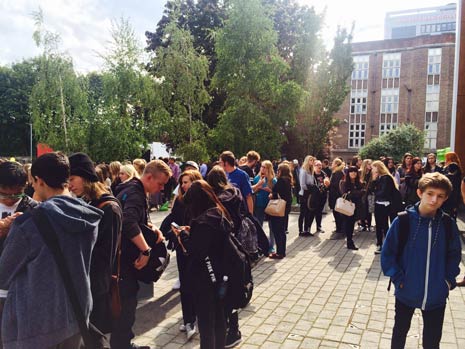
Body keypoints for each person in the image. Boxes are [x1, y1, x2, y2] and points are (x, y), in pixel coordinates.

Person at [0, 152, 102, 348]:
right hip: (77, 312)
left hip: (38, 324)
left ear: (39, 181)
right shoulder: (89, 215)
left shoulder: (29, 223)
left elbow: (3, 274)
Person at [381, 172, 461, 349]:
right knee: (399, 333)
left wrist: (447, 281)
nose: (434, 200)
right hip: (406, 291)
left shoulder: (447, 224)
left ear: (445, 198)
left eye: (440, 196)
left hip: (436, 295)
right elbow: (388, 254)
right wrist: (398, 279)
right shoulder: (403, 221)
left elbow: (454, 254)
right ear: (420, 193)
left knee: (432, 341)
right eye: (430, 194)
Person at [111, 160, 171, 349]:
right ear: (148, 177)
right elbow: (128, 222)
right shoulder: (136, 193)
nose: (161, 189)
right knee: (126, 305)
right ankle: (123, 345)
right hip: (123, 263)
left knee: (125, 306)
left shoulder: (129, 187)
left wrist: (152, 229)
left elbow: (135, 219)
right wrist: (146, 250)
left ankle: (124, 342)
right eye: (160, 184)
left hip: (117, 260)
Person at [174, 180, 233, 348]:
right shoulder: (219, 213)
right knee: (219, 319)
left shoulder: (202, 222)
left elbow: (196, 251)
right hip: (220, 274)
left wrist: (183, 236)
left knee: (206, 324)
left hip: (204, 279)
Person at [68, 152, 123, 335]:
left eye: (72, 178)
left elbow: (104, 259)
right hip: (84, 286)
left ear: (86, 177)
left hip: (96, 290)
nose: (69, 184)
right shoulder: (86, 201)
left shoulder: (109, 208)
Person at [162, 169, 202, 340]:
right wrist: (172, 232)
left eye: (187, 182)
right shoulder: (179, 201)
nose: (184, 185)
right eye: (182, 182)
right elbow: (171, 220)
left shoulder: (202, 201)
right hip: (182, 248)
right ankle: (188, 319)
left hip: (198, 249)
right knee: (185, 284)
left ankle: (196, 315)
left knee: (197, 284)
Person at [206, 166, 244, 348]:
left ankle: (232, 329)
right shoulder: (234, 192)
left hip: (223, 248)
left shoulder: (219, 200)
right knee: (233, 287)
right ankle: (232, 327)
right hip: (235, 245)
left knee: (224, 290)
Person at [0, 161, 38, 256]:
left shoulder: (34, 208)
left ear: (25, 186)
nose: (9, 200)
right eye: (4, 195)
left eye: (17, 195)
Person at [371, 160, 397, 254]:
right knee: (379, 225)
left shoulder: (386, 178)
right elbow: (371, 189)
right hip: (379, 204)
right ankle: (380, 244)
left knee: (384, 225)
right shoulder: (379, 178)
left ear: (378, 167)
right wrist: (374, 180)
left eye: (373, 167)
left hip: (385, 205)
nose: (372, 169)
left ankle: (386, 245)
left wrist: (376, 192)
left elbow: (383, 192)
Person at [268, 162, 293, 259]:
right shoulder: (288, 180)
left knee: (277, 230)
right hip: (285, 208)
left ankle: (279, 252)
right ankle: (282, 251)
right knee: (282, 230)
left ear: (281, 171)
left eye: (278, 170)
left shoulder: (281, 181)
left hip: (278, 208)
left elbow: (276, 192)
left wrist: (271, 195)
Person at [252, 160, 276, 252]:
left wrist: (269, 190)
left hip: (270, 204)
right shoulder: (257, 178)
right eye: (261, 166)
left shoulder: (273, 180)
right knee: (259, 225)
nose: (262, 168)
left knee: (272, 226)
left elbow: (276, 192)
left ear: (269, 169)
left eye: (264, 167)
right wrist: (258, 186)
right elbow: (253, 190)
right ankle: (260, 245)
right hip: (259, 204)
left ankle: (271, 246)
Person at [340, 167, 363, 250]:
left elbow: (361, 193)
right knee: (348, 223)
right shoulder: (344, 183)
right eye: (351, 172)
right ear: (348, 173)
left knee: (352, 223)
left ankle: (350, 240)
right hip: (347, 206)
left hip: (356, 206)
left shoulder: (359, 183)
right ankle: (349, 241)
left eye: (355, 172)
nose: (353, 173)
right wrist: (356, 193)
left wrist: (354, 193)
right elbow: (345, 194)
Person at [308, 160, 329, 234]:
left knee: (319, 212)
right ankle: (308, 228)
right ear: (314, 166)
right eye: (317, 165)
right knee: (312, 212)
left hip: (322, 195)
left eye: (320, 165)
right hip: (314, 197)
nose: (319, 166)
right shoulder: (311, 174)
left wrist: (326, 183)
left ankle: (318, 226)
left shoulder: (324, 174)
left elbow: (327, 183)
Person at [298, 155, 315, 236]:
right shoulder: (303, 170)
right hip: (304, 193)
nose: (312, 162)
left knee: (308, 212)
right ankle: (300, 230)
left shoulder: (311, 171)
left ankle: (307, 229)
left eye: (313, 160)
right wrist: (309, 189)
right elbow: (302, 184)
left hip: (309, 193)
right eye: (311, 160)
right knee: (303, 213)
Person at [441, 151, 462, 219]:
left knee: (448, 213)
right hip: (454, 192)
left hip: (451, 193)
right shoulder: (456, 166)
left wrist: (441, 176)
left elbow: (450, 177)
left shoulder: (453, 165)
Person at [328, 158, 345, 239]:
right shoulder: (337, 172)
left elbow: (336, 185)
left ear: (336, 164)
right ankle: (339, 229)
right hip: (335, 196)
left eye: (333, 163)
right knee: (337, 213)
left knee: (337, 214)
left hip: (336, 196)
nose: (331, 164)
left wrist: (328, 184)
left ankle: (340, 231)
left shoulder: (338, 173)